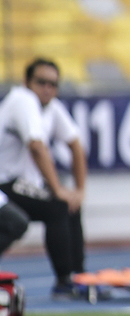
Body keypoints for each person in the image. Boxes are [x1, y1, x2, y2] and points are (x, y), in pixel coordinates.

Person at [0, 58, 88, 298]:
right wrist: (58, 189)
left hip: (18, 184)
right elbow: (37, 146)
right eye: (41, 82)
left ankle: (79, 276)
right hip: (4, 181)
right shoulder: (23, 100)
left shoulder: (51, 107)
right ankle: (65, 281)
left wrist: (79, 191)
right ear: (26, 82)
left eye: (53, 84)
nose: (47, 89)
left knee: (70, 205)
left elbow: (76, 144)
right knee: (58, 205)